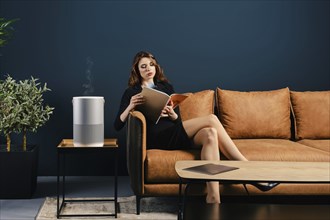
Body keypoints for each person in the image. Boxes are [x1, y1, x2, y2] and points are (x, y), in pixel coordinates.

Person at [114, 51, 277, 203]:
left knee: (210, 134)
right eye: (143, 66)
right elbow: (117, 125)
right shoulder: (132, 92)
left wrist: (172, 115)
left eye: (151, 64)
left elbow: (177, 123)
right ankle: (248, 168)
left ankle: (213, 197)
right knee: (212, 119)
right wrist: (130, 107)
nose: (148, 68)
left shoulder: (166, 87)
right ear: (137, 70)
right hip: (156, 138)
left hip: (174, 133)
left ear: (156, 66)